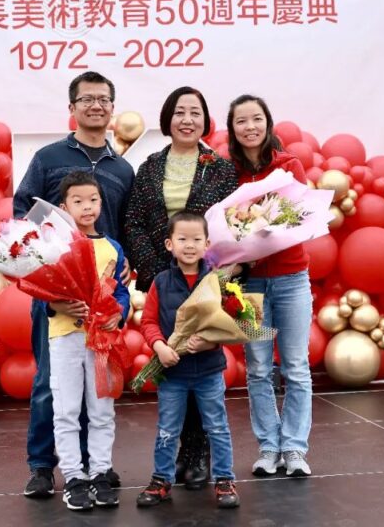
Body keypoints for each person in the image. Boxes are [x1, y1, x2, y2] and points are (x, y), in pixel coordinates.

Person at [14, 71, 134, 499]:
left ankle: (93, 468)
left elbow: (125, 227)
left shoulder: (123, 168)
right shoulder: (48, 158)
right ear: (72, 108)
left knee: (97, 388)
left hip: (102, 296)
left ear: (112, 107)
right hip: (57, 295)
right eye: (87, 99)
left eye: (103, 99)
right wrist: (47, 277)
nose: (96, 105)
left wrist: (125, 267)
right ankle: (43, 467)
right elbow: (22, 215)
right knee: (51, 384)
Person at [124, 86, 237, 489]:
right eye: (179, 112)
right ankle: (177, 456)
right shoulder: (150, 166)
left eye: (195, 112)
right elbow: (134, 221)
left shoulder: (220, 168)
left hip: (206, 278)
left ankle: (197, 453)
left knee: (200, 364)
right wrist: (158, 270)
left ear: (205, 121)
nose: (187, 120)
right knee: (173, 362)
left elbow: (230, 224)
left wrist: (211, 271)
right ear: (167, 119)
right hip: (165, 279)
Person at [226, 94, 314, 478]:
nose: (250, 127)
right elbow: (222, 225)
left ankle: (294, 448)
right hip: (249, 285)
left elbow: (302, 217)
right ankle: (268, 447)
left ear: (268, 122)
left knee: (295, 366)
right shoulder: (228, 172)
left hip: (292, 278)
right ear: (232, 129)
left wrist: (269, 229)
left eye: (256, 119)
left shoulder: (289, 165)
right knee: (259, 368)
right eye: (241, 121)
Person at [135, 211, 240, 509]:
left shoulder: (217, 281)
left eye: (196, 239)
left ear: (207, 244)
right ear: (169, 244)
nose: (190, 245)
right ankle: (161, 480)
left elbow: (234, 323)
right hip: (173, 373)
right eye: (182, 239)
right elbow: (148, 321)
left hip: (209, 371)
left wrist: (211, 341)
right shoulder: (161, 282)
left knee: (217, 427)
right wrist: (159, 347)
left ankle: (224, 480)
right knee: (168, 429)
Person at [45, 171, 130, 511]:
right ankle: (73, 477)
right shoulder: (54, 246)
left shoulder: (112, 248)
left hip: (102, 341)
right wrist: (57, 305)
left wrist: (118, 313)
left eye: (93, 200)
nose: (87, 207)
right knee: (66, 410)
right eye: (78, 201)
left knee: (102, 410)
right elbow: (42, 292)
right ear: (64, 207)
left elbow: (121, 292)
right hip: (66, 337)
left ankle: (99, 473)